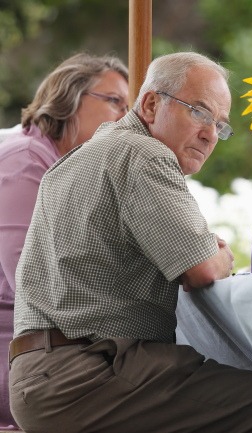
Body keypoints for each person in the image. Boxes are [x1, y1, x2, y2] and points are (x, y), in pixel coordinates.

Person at [8, 52, 252, 433]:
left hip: (41, 376)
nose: (211, 134)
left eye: (220, 125)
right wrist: (221, 255)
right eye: (200, 112)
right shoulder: (144, 153)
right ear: (150, 105)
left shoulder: (80, 157)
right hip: (83, 375)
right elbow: (202, 270)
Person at [0, 52, 128, 431]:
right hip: (21, 361)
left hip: (48, 353)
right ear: (68, 98)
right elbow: (31, 280)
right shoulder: (25, 163)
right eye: (115, 102)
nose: (126, 118)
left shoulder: (63, 168)